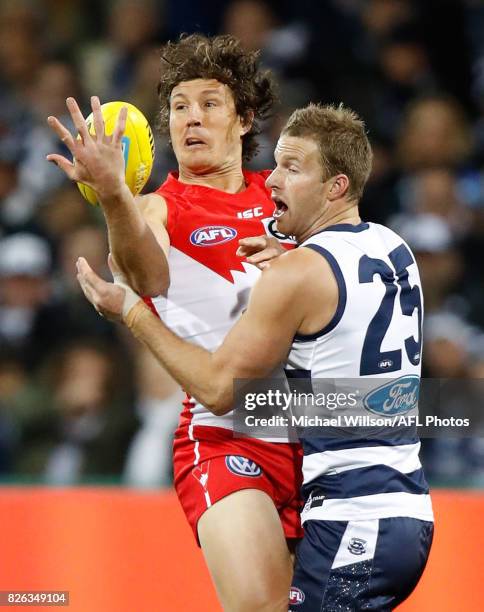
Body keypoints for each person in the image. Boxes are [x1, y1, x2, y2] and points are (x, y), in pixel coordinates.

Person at [77, 103, 434, 611]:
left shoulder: (298, 272)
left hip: (354, 515)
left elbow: (221, 390)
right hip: (409, 508)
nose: (273, 182)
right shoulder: (395, 247)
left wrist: (133, 313)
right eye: (277, 165)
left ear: (334, 187)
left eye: (292, 168)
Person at [47, 34, 302, 612]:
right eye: (180, 106)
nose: (191, 118)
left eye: (210, 103)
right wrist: (115, 194)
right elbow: (143, 274)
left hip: (320, 434)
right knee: (262, 606)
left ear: (245, 119)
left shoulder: (285, 199)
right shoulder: (162, 208)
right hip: (223, 436)